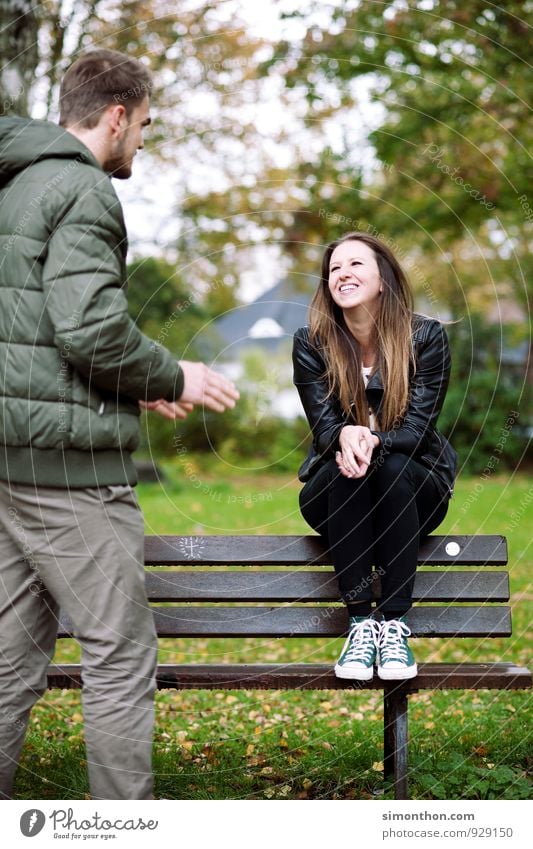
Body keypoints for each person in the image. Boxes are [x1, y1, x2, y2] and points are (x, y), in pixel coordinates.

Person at [0, 49, 239, 800]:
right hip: (69, 474)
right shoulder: (82, 188)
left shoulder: (15, 184)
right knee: (120, 655)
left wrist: (133, 388)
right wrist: (175, 374)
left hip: (10, 461)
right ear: (115, 116)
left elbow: (31, 335)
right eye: (142, 125)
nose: (141, 140)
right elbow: (90, 331)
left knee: (8, 665)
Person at [293, 232, 457, 682]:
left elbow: (418, 431)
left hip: (414, 491)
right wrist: (346, 436)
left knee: (390, 463)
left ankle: (394, 623)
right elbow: (323, 428)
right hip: (338, 494)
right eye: (334, 269)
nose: (342, 274)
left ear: (382, 278)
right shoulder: (312, 343)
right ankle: (362, 623)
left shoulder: (425, 337)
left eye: (355, 265)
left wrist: (372, 439)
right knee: (352, 465)